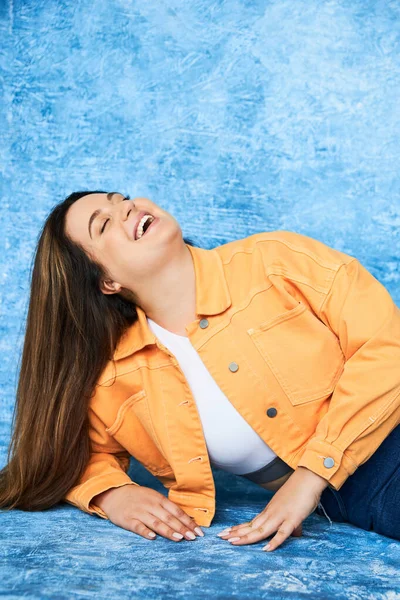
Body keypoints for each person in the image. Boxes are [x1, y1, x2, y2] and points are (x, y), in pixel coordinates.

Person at [0, 191, 399, 553]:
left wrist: (309, 478)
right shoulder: (117, 377)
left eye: (119, 198)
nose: (126, 208)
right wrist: (112, 494)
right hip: (362, 494)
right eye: (103, 224)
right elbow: (64, 454)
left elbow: (387, 344)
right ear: (107, 281)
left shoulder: (276, 259)